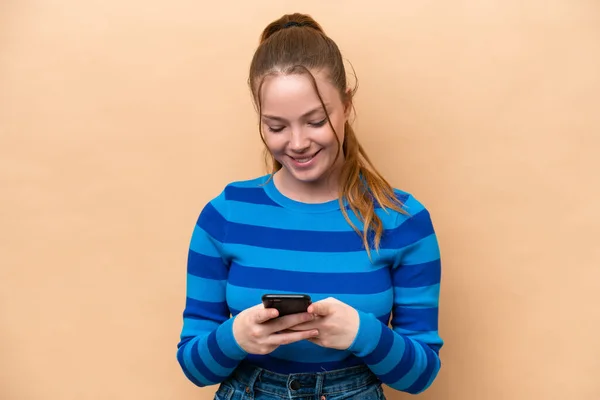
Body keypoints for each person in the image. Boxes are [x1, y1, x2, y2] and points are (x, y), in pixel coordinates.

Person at [176, 12, 443, 400]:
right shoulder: (226, 214)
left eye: (315, 120)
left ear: (347, 104)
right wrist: (234, 337)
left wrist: (362, 333)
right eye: (276, 126)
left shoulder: (404, 220)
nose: (298, 143)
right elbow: (193, 367)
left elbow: (422, 376)